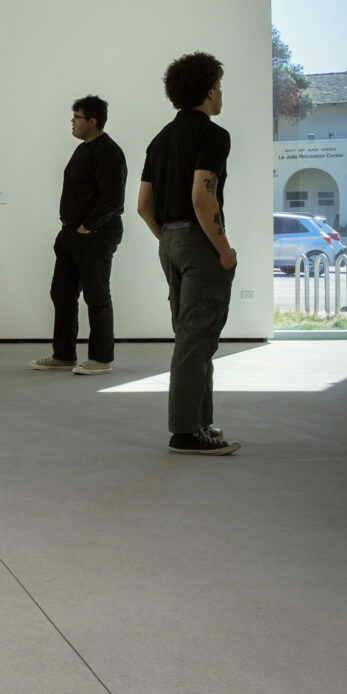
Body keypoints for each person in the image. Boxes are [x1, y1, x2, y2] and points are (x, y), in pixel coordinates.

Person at [136, 53, 241, 456]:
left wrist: (169, 238)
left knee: (194, 336)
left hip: (170, 243)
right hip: (199, 243)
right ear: (210, 89)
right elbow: (202, 195)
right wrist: (223, 248)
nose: (220, 95)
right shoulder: (213, 135)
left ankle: (200, 423)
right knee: (197, 339)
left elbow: (144, 205)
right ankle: (184, 431)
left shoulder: (160, 139)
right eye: (219, 86)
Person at [34, 95, 127, 376]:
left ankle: (101, 359)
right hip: (71, 234)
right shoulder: (83, 149)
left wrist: (88, 227)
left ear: (92, 121)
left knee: (96, 296)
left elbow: (113, 200)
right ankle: (63, 355)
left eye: (76, 117)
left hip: (96, 235)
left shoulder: (109, 152)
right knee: (61, 293)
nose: (72, 122)